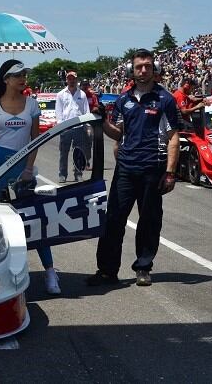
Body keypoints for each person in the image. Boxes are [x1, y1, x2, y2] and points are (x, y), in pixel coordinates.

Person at [87, 49, 180, 287]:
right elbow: (117, 133)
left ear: (154, 69)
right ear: (131, 70)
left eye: (147, 66)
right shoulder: (123, 99)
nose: (143, 70)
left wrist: (170, 173)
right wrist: (102, 120)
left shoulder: (165, 99)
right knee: (113, 220)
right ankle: (107, 270)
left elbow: (173, 137)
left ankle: (143, 267)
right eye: (139, 66)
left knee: (149, 221)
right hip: (126, 169)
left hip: (153, 169)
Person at [0, 59, 61, 295]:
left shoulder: (32, 104)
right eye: (17, 75)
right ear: (6, 80)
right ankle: (0, 273)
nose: (23, 78)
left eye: (24, 74)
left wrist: (27, 169)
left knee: (35, 220)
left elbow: (36, 140)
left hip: (23, 167)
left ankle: (51, 273)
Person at [55, 71, 90, 183]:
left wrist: (87, 126)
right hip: (66, 127)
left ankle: (78, 173)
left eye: (73, 78)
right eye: (69, 79)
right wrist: (61, 126)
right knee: (63, 153)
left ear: (76, 79)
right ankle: (62, 174)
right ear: (66, 80)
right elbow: (58, 112)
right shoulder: (60, 94)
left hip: (79, 127)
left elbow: (86, 111)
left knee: (79, 152)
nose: (71, 80)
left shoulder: (82, 94)